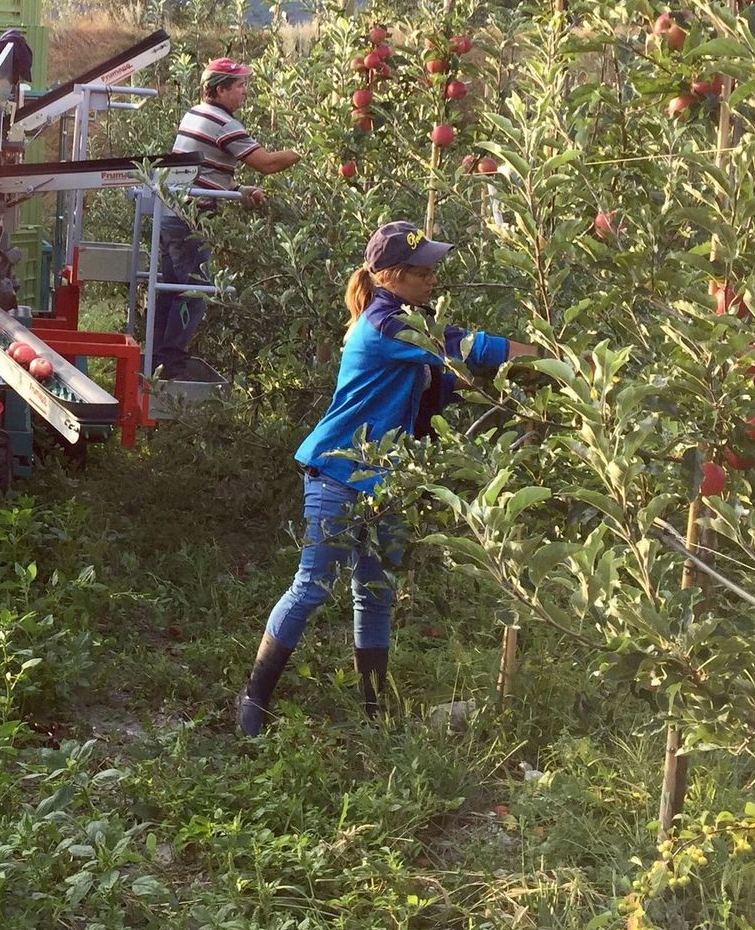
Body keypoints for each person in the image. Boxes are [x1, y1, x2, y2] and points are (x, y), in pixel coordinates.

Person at [234, 222, 539, 735]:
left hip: (389, 478)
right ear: (393, 276)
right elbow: (467, 347)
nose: (433, 280)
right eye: (423, 273)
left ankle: (373, 714)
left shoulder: (404, 321)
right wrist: (541, 356)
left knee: (374, 592)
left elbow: (442, 384)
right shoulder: (386, 324)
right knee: (311, 587)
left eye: (433, 270)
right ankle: (253, 698)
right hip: (338, 473)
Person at [150, 57, 300, 377]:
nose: (245, 92)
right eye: (240, 86)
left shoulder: (195, 114)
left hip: (170, 211)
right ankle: (171, 361)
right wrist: (303, 152)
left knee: (170, 287)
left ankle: (154, 357)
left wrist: (240, 189)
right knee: (195, 292)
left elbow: (205, 171)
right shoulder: (224, 124)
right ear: (220, 90)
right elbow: (268, 164)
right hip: (191, 219)